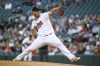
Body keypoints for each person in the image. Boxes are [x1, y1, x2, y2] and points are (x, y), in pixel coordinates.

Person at [13, 6, 80, 62]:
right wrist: (33, 36)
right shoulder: (33, 22)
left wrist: (58, 8)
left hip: (51, 36)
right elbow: (32, 29)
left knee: (60, 45)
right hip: (41, 38)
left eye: (39, 10)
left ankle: (72, 58)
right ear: (34, 12)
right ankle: (17, 59)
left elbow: (52, 11)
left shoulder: (44, 15)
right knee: (29, 48)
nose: (39, 11)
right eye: (37, 11)